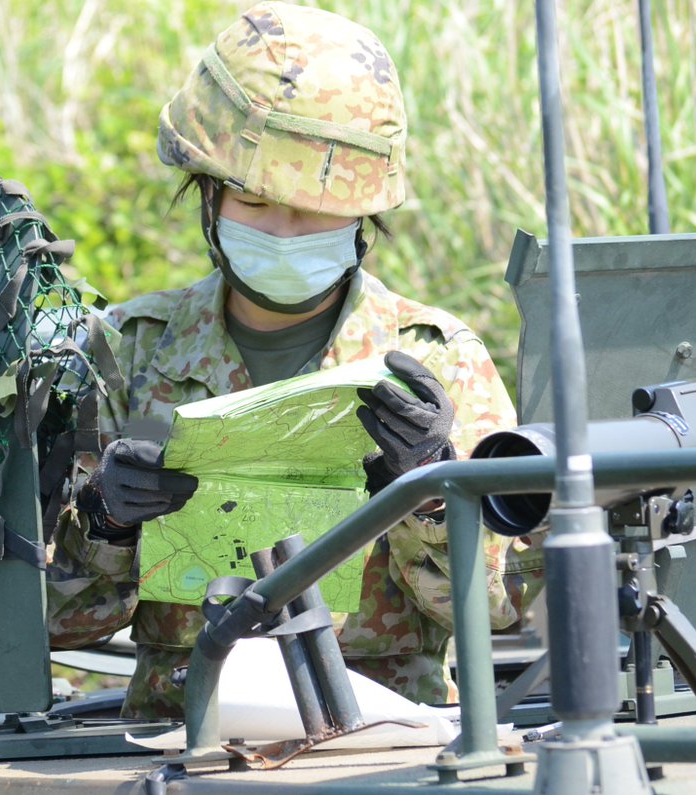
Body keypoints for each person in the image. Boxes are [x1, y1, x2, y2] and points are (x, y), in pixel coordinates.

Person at [46, 0, 519, 719]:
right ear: (207, 189)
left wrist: (430, 491)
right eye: (254, 196)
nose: (286, 228)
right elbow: (47, 620)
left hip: (385, 745)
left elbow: (502, 606)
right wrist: (105, 518)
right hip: (179, 742)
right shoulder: (128, 351)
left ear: (365, 212)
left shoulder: (432, 364)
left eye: (317, 205)